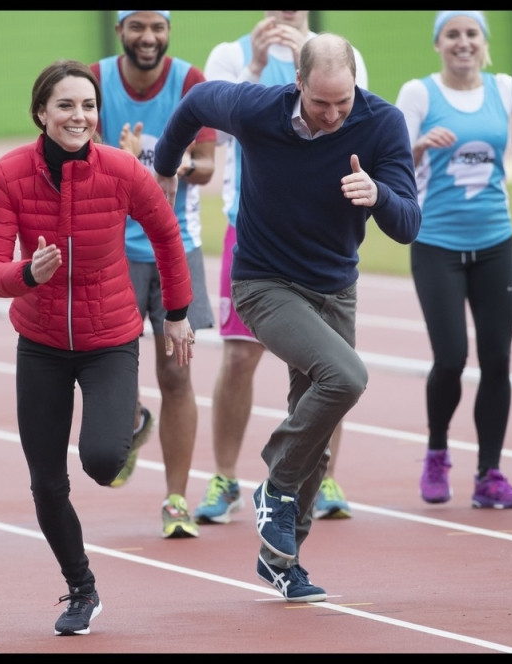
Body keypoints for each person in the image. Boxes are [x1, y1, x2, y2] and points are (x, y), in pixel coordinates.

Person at [154, 33, 420, 602]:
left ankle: (282, 560)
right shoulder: (258, 107)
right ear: (297, 83)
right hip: (263, 282)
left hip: (334, 289)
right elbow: (197, 102)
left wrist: (377, 196)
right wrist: (164, 165)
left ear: (356, 85)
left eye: (343, 102)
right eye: (320, 102)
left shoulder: (381, 123)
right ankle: (274, 482)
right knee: (346, 377)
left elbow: (409, 224)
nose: (332, 115)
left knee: (317, 436)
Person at [0, 60, 195, 636]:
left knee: (102, 461)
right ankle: (81, 588)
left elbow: (167, 235)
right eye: (66, 106)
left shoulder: (122, 171)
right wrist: (27, 273)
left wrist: (176, 315)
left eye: (88, 106)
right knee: (47, 482)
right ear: (41, 113)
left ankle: (128, 417)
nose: (79, 116)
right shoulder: (9, 174)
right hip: (41, 342)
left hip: (110, 338)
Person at [197, 10, 369, 526]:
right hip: (248, 228)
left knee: (332, 364)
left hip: (320, 232)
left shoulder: (341, 56)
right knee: (240, 357)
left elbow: (360, 129)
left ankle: (322, 468)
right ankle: (226, 475)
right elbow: (217, 137)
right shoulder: (228, 56)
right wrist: (252, 66)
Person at [89, 10, 216, 539]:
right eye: (136, 26)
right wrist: (116, 161)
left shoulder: (190, 82)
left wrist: (169, 165)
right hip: (111, 250)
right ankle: (134, 419)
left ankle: (176, 500)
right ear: (119, 30)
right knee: (106, 370)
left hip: (175, 248)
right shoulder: (93, 81)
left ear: (168, 30)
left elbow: (207, 165)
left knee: (178, 374)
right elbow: (77, 162)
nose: (148, 37)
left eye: (157, 26)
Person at [394, 11, 512, 509]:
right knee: (450, 359)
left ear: (484, 41)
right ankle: (436, 454)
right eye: (453, 34)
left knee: (497, 359)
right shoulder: (419, 94)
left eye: (472, 33)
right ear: (438, 43)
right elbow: (388, 161)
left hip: (494, 241)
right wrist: (419, 146)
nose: (463, 42)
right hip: (437, 244)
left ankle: (489, 474)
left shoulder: (506, 88)